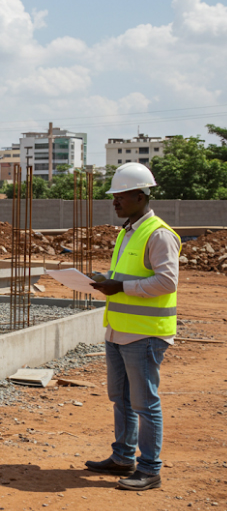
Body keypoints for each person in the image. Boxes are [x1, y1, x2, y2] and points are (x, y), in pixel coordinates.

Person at [86, 162, 180, 491]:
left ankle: (150, 469)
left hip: (144, 334)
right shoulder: (128, 231)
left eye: (121, 196)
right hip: (119, 329)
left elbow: (167, 282)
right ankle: (123, 457)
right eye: (113, 196)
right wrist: (106, 281)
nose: (114, 202)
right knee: (121, 398)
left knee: (144, 403)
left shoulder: (159, 234)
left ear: (140, 196)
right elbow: (129, 277)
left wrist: (121, 287)